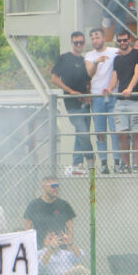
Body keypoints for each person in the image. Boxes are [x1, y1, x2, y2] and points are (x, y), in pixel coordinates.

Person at [51, 31, 93, 174]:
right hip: (71, 103)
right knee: (83, 132)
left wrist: (88, 95)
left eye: (81, 42)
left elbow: (88, 80)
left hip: (85, 102)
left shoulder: (84, 60)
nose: (79, 45)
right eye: (76, 42)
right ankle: (90, 160)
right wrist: (70, 91)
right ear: (71, 42)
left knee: (81, 133)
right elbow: (55, 78)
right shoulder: (63, 58)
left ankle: (77, 164)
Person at [109, 32, 138, 173]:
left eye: (125, 40)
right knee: (122, 133)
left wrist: (129, 88)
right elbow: (115, 76)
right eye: (119, 40)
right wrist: (109, 88)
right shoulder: (117, 59)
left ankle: (136, 165)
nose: (122, 42)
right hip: (121, 102)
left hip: (136, 100)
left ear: (130, 40)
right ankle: (126, 165)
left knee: (136, 133)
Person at [84, 27, 119, 173]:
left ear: (104, 38)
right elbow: (89, 73)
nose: (95, 40)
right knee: (100, 131)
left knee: (115, 130)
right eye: (92, 38)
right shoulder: (89, 55)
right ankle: (104, 163)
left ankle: (117, 162)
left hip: (113, 95)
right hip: (97, 96)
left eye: (97, 37)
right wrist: (96, 62)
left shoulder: (113, 52)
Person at [22, 177, 75, 246]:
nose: (56, 188)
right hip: (39, 247)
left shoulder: (64, 205)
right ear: (44, 187)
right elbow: (27, 228)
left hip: (60, 248)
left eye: (57, 186)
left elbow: (70, 228)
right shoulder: (34, 205)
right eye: (53, 186)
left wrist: (69, 240)